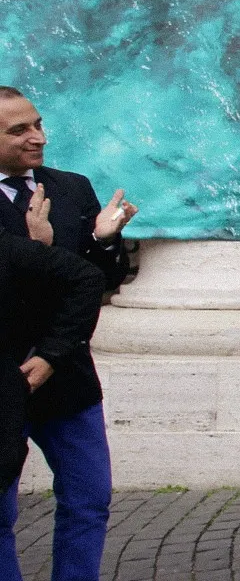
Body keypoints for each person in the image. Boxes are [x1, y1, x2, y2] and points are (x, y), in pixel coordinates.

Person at [0, 87, 137, 581]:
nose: (37, 137)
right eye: (19, 130)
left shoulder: (72, 188)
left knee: (88, 499)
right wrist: (41, 251)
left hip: (68, 374)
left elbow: (102, 280)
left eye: (37, 124)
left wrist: (104, 241)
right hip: (5, 377)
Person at [1, 226, 105, 493]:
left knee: (88, 496)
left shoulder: (71, 187)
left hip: (63, 380)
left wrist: (52, 353)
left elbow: (90, 276)